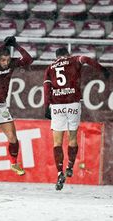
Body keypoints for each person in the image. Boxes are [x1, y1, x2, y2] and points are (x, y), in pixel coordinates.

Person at [43, 47, 110, 191]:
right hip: (72, 103)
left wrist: (46, 107)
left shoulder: (50, 67)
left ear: (56, 57)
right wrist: (102, 69)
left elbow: (47, 88)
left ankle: (60, 172)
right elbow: (86, 59)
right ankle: (70, 166)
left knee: (57, 142)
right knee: (72, 138)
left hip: (57, 105)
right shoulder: (74, 59)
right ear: (67, 55)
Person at [0, 36, 33, 175]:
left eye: (8, 60)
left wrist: (16, 45)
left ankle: (14, 163)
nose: (6, 62)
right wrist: (3, 46)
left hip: (0, 107)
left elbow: (28, 59)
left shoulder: (12, 64)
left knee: (13, 137)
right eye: (3, 60)